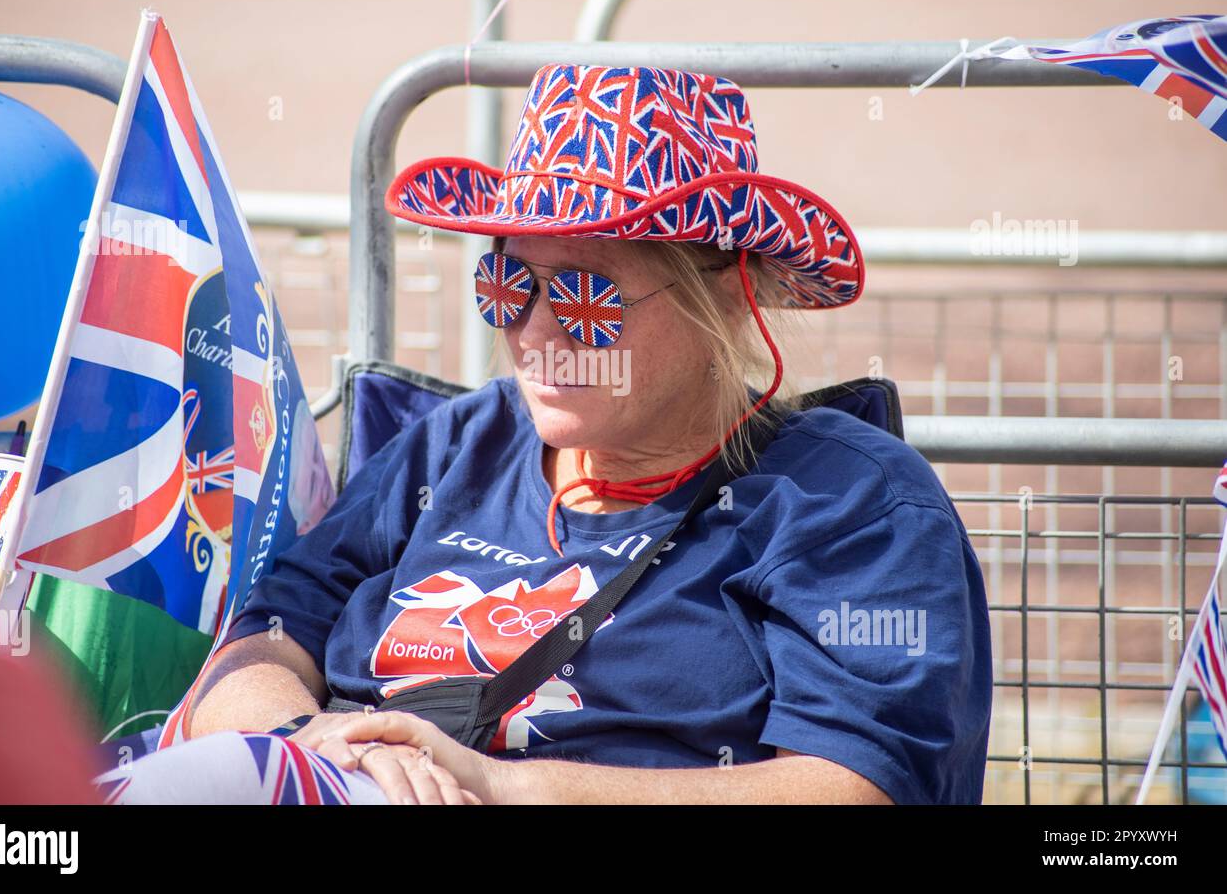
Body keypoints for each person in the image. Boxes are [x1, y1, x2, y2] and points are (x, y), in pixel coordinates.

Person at [126, 64, 992, 805]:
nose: (536, 333)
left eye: (586, 296)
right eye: (509, 284)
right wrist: (317, 739)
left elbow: (856, 785)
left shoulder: (850, 504)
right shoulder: (455, 446)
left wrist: (512, 786)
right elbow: (266, 637)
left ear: (729, 296)